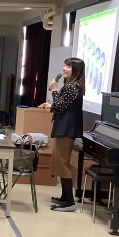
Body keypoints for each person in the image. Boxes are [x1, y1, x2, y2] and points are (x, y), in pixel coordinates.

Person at [39, 57, 86, 212]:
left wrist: (54, 90)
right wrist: (51, 105)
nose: (64, 68)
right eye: (65, 65)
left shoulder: (73, 86)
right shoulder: (73, 86)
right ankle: (65, 197)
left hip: (67, 129)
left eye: (69, 66)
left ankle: (70, 202)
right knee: (60, 161)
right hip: (66, 128)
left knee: (62, 162)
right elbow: (63, 105)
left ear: (76, 70)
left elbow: (60, 106)